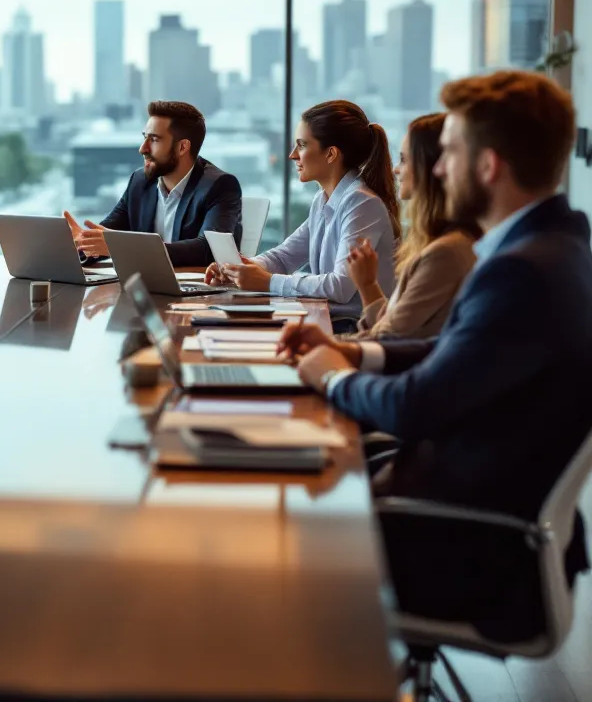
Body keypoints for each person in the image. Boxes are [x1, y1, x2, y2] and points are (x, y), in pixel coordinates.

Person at [277, 70, 591, 641]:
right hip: (466, 513)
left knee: (260, 536)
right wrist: (351, 354)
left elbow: (414, 408)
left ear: (488, 165)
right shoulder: (555, 249)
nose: (437, 170)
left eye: (447, 154)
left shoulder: (520, 272)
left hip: (465, 547)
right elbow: (450, 351)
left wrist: (333, 379)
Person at [207, 100, 401, 328]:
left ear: (331, 154)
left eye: (301, 145)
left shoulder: (362, 203)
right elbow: (283, 257)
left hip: (353, 327)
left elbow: (340, 286)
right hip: (329, 320)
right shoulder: (323, 200)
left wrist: (268, 282)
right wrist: (241, 268)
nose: (292, 155)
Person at [343, 113, 480, 339]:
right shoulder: (436, 243)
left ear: (431, 167)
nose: (396, 169)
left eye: (404, 160)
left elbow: (389, 339)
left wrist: (329, 345)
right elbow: (395, 325)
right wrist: (367, 284)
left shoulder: (445, 253)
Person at [63, 100, 242, 268]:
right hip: (146, 288)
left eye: (154, 139)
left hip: (198, 296)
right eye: (144, 137)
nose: (143, 148)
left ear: (182, 147)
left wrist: (120, 247)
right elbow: (106, 237)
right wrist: (82, 242)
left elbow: (207, 249)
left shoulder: (220, 185)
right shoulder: (140, 182)